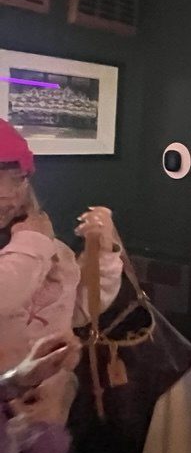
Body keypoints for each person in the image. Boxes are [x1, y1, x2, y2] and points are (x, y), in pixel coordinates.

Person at [0, 120, 121, 424]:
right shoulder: (34, 243)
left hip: (47, 422)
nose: (9, 195)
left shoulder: (41, 244)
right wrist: (33, 242)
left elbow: (79, 310)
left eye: (18, 178)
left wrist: (103, 252)